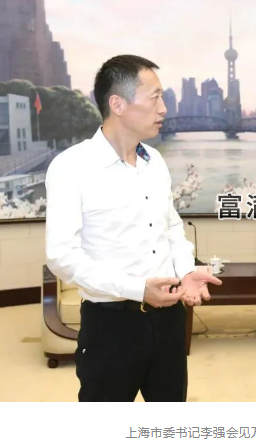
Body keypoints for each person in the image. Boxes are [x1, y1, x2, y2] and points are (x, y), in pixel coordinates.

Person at [44, 54, 222, 402]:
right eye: (154, 97)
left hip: (169, 318)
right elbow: (62, 257)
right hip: (110, 325)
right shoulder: (71, 167)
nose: (164, 109)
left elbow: (171, 228)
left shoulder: (154, 161)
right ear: (118, 104)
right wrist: (138, 290)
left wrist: (186, 271)